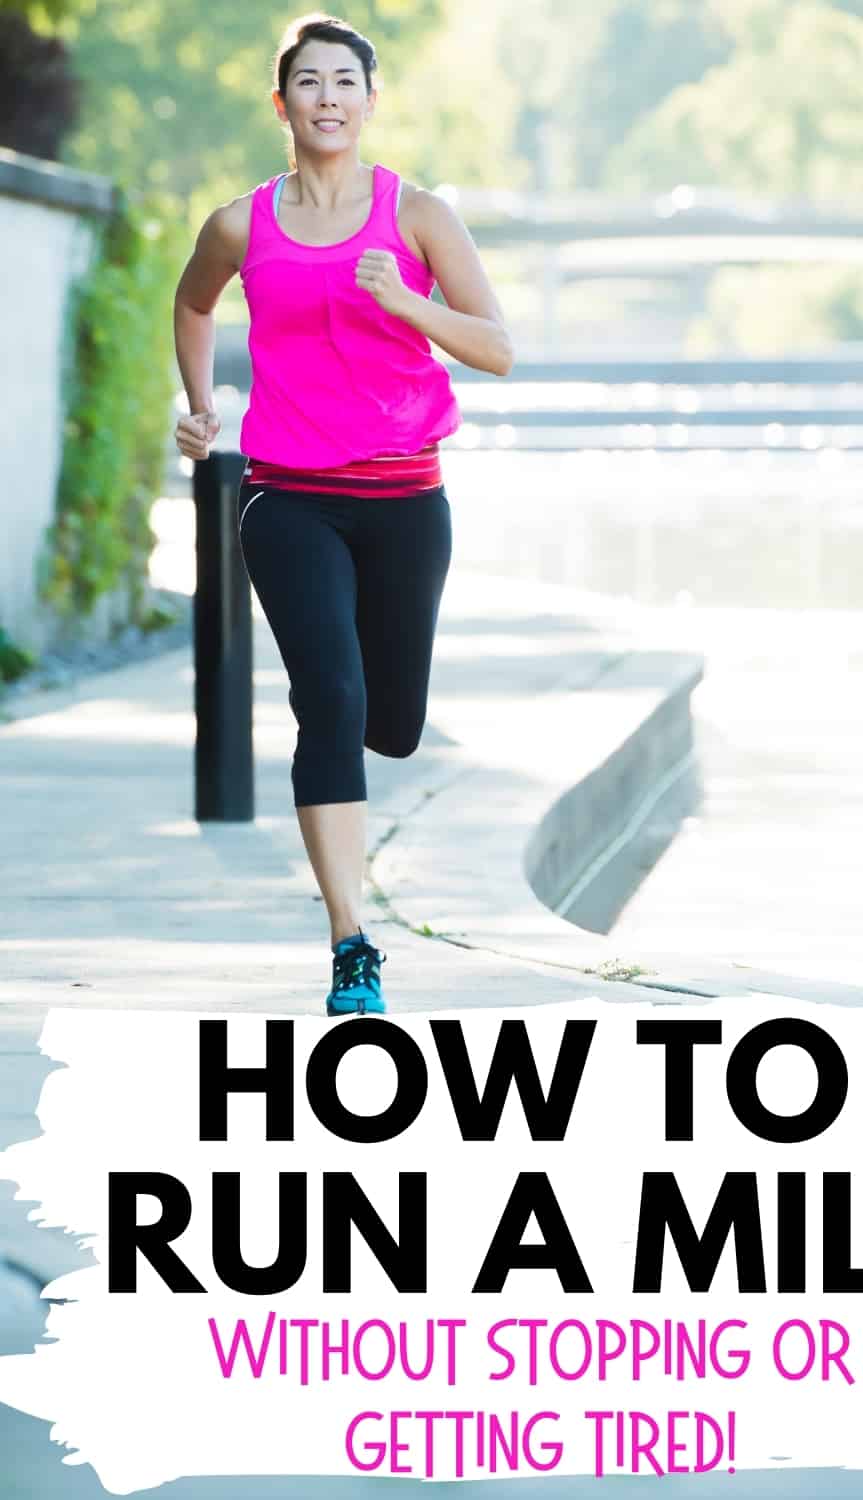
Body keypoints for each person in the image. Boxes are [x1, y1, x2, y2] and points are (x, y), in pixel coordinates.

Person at [172, 12, 513, 1016]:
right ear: (282, 105)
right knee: (330, 701)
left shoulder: (418, 215)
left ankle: (360, 780)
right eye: (309, 83)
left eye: (345, 83)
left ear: (369, 102)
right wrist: (200, 407)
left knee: (391, 722)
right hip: (288, 496)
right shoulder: (241, 224)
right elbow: (193, 305)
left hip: (405, 498)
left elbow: (496, 347)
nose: (328, 98)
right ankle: (351, 943)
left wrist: (409, 304)